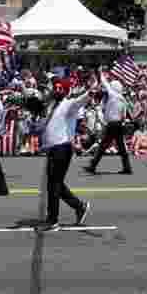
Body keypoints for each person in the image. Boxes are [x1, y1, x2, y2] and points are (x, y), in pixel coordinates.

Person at [37, 76, 96, 231]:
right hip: (54, 150)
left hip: (62, 149)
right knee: (56, 184)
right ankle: (80, 206)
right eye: (55, 87)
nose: (56, 90)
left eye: (60, 88)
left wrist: (91, 90)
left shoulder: (69, 105)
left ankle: (53, 221)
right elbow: (50, 127)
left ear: (65, 90)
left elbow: (81, 100)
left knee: (53, 185)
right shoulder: (53, 106)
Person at [84, 71, 133, 175]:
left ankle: (92, 166)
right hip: (118, 124)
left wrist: (100, 72)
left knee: (103, 145)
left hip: (112, 125)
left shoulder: (113, 94)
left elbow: (105, 83)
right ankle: (127, 167)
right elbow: (124, 115)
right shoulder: (123, 99)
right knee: (121, 147)